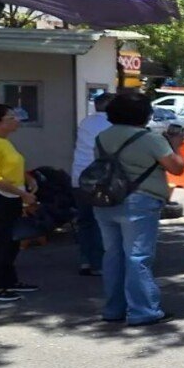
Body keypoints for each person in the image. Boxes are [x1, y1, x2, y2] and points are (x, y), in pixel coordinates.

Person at [92, 93, 184, 326]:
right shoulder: (150, 138)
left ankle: (114, 308)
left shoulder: (102, 136)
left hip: (106, 200)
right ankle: (143, 310)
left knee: (113, 256)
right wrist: (175, 146)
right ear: (144, 114)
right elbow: (177, 169)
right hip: (140, 202)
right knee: (138, 256)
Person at [0, 104, 39, 302]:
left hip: (10, 196)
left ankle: (8, 280)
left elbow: (13, 166)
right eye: (10, 118)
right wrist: (23, 194)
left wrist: (28, 179)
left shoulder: (5, 142)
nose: (16, 121)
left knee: (10, 241)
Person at [71, 93, 115, 276]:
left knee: (85, 222)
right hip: (100, 179)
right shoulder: (112, 126)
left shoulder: (85, 122)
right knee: (99, 221)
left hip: (78, 177)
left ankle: (85, 260)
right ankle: (99, 263)